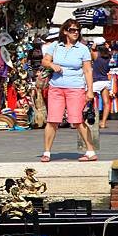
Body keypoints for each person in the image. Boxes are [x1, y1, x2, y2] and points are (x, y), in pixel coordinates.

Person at [41, 18, 96, 162]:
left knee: (77, 120)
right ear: (65, 31)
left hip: (75, 87)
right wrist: (52, 65)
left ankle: (90, 151)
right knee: (52, 120)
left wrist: (90, 90)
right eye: (72, 30)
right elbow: (45, 61)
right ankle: (47, 152)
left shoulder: (83, 48)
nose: (76, 32)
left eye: (78, 30)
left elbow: (88, 71)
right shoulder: (55, 46)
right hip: (56, 87)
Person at [91, 38, 111, 129]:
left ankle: (86, 118)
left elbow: (91, 51)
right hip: (105, 81)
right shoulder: (108, 55)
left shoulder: (95, 55)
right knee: (106, 102)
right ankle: (103, 122)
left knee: (88, 100)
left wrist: (93, 47)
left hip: (96, 81)